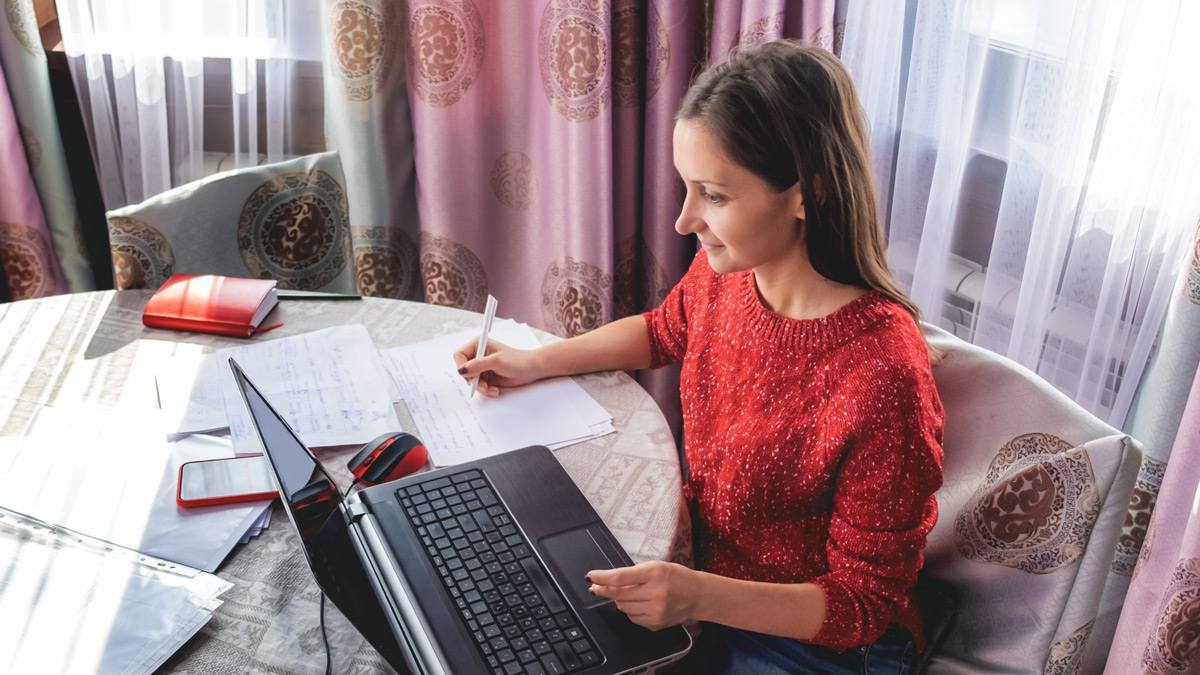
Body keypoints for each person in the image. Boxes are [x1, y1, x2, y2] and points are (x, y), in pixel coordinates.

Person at [453, 40, 944, 675]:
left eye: (713, 195)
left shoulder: (883, 375)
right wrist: (535, 360)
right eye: (688, 188)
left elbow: (862, 605)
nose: (685, 221)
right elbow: (664, 330)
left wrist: (697, 597)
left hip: (818, 645)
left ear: (807, 192)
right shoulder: (731, 272)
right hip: (702, 578)